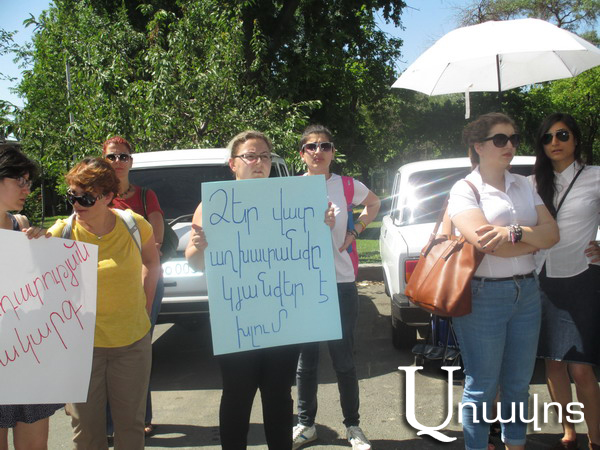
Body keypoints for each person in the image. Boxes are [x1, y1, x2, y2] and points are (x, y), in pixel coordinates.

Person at [186, 130, 328, 450]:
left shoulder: (291, 201)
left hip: (283, 317)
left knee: (278, 394)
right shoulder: (213, 205)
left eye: (265, 156)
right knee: (237, 394)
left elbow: (311, 251)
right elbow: (194, 263)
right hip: (237, 319)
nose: (259, 162)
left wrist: (323, 224)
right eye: (250, 156)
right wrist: (198, 247)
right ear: (233, 164)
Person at [447, 112, 559, 450]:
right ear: (478, 146)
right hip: (483, 296)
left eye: (513, 138)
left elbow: (552, 234)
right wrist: (532, 239)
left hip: (527, 292)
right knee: (482, 386)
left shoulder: (525, 184)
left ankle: (516, 444)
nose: (509, 145)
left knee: (518, 385)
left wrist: (514, 232)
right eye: (500, 139)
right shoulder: (464, 189)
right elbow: (486, 244)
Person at [48, 157, 160, 450]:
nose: (77, 204)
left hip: (131, 343)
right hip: (81, 350)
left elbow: (151, 262)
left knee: (130, 428)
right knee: (86, 432)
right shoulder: (61, 233)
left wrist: (145, 307)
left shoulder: (134, 225)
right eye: (72, 196)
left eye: (86, 197)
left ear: (108, 196)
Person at [293, 124, 380, 450]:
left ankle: (353, 426)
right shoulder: (290, 189)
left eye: (325, 146)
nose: (319, 152)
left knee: (343, 360)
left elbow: (374, 204)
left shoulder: (347, 185)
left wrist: (354, 230)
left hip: (341, 283)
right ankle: (306, 425)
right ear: (302, 153)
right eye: (312, 146)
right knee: (306, 362)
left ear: (332, 152)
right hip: (305, 286)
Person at [532, 113, 600, 450]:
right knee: (554, 362)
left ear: (575, 138)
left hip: (581, 278)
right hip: (541, 279)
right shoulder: (532, 183)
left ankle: (596, 437)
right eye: (547, 137)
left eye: (562, 135)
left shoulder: (595, 176)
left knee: (582, 368)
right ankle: (568, 430)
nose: (554, 142)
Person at [101, 135, 166, 437]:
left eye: (123, 156)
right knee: (104, 352)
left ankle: (141, 418)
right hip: (105, 285)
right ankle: (108, 424)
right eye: (112, 156)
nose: (118, 162)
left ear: (131, 161)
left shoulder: (145, 195)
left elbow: (155, 240)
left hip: (143, 279)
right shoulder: (95, 196)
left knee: (138, 349)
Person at [0, 147, 60, 450]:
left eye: (29, 182)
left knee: (35, 444)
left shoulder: (21, 226)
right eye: (20, 181)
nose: (27, 189)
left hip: (26, 353)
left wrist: (46, 250)